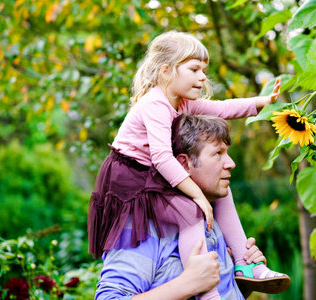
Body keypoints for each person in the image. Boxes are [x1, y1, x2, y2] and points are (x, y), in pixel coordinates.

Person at [88, 31, 285, 300]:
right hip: (133, 179)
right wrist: (197, 196)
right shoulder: (154, 104)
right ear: (166, 70)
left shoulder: (181, 103)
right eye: (194, 69)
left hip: (155, 173)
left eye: (204, 70)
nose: (202, 77)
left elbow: (222, 108)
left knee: (220, 195)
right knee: (189, 212)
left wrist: (261, 103)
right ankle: (207, 294)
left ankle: (245, 264)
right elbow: (161, 158)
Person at [95, 114, 288, 299]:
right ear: (183, 164)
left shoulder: (212, 216)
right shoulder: (143, 225)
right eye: (218, 153)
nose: (231, 163)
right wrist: (187, 284)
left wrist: (241, 281)